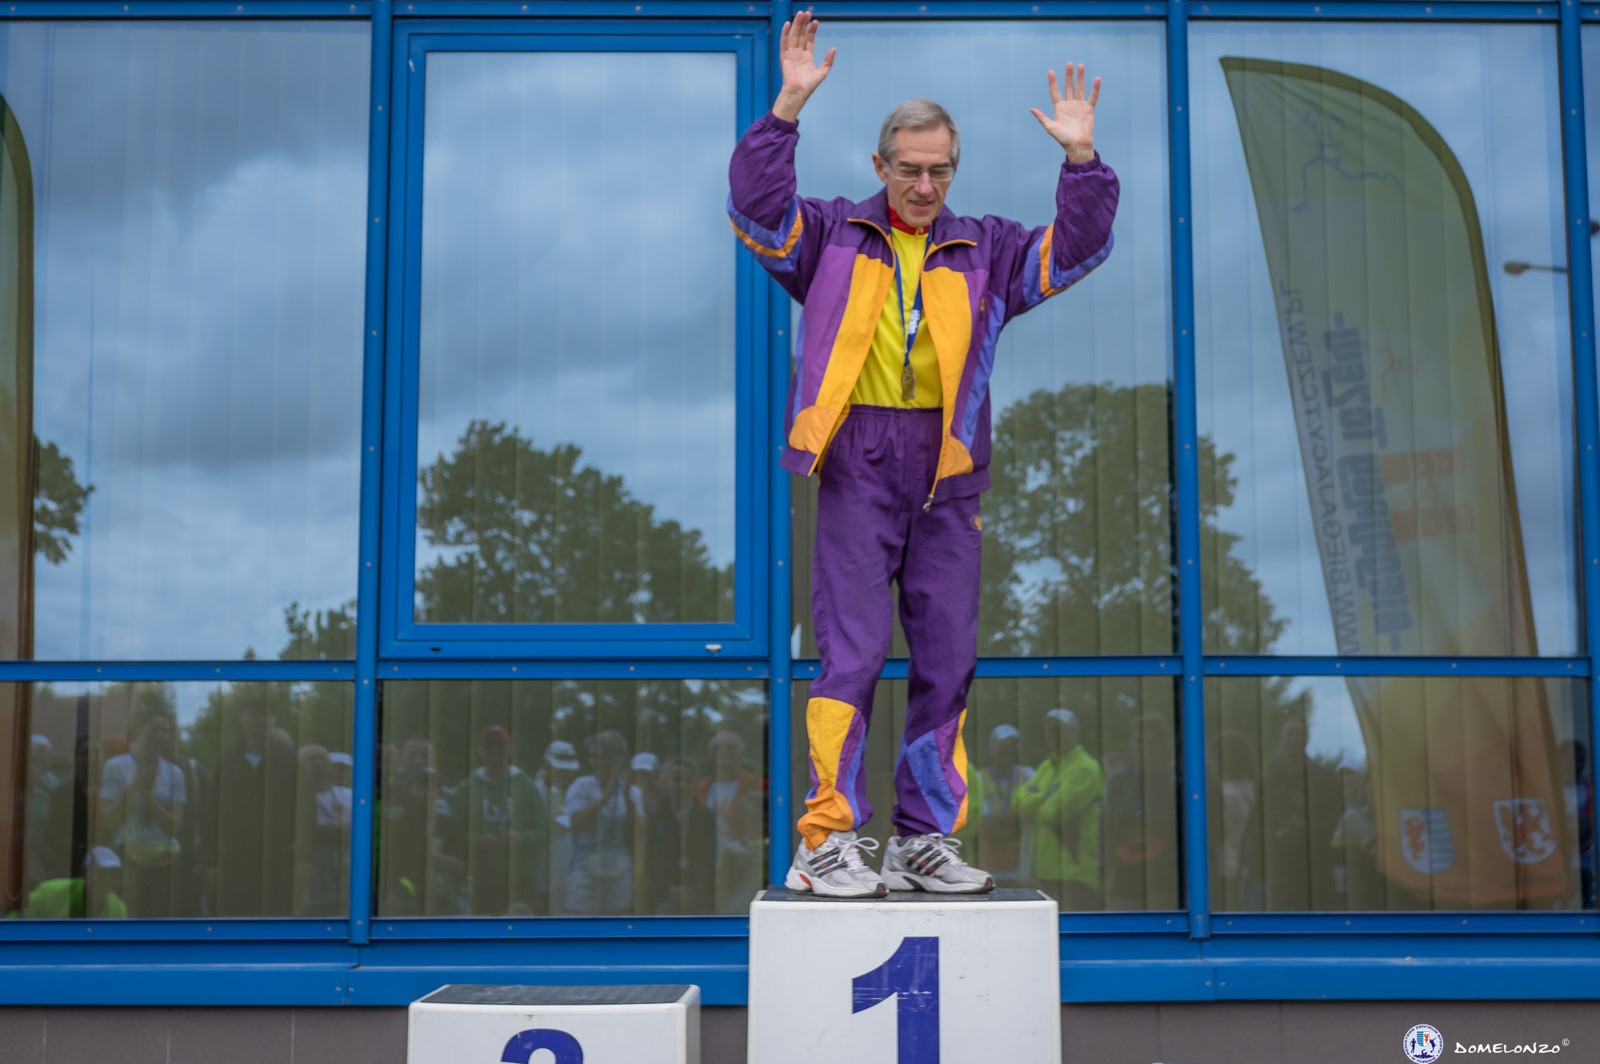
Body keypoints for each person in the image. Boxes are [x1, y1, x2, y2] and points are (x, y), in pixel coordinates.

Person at [728, 12, 1119, 897]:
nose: (924, 184)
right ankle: (828, 837)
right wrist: (785, 109)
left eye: (940, 170)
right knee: (854, 655)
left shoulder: (988, 249)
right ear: (880, 167)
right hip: (858, 462)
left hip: (948, 472)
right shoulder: (831, 235)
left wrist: (1082, 162)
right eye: (908, 169)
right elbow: (754, 210)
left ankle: (921, 839)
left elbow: (1078, 249)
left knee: (946, 661)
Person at [99, 705, 187, 916]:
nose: (159, 734)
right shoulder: (115, 767)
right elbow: (108, 820)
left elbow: (176, 827)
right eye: (154, 727)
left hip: (162, 863)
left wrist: (148, 799)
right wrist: (134, 787)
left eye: (165, 730)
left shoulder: (175, 773)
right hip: (126, 859)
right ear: (140, 729)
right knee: (126, 918)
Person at [1013, 709, 1105, 909]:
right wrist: (1044, 795)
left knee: (1075, 927)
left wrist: (1035, 796)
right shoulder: (1048, 765)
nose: (1054, 735)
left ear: (1075, 733)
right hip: (1045, 871)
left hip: (1075, 872)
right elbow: (1017, 803)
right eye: (1050, 730)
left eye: (1060, 730)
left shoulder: (1085, 768)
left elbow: (1051, 814)